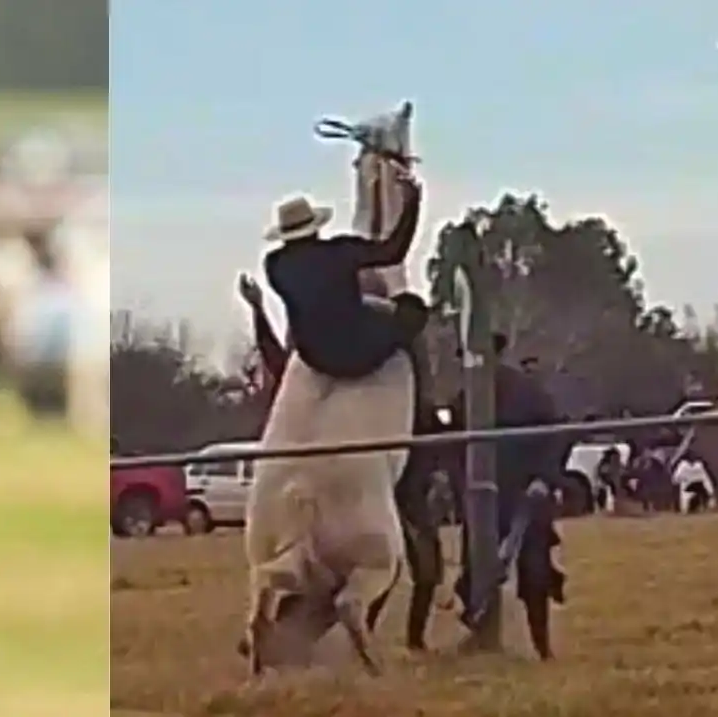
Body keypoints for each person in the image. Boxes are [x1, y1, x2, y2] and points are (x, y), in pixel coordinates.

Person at [236, 270, 444, 652]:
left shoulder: (319, 341)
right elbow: (421, 401)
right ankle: (321, 635)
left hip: (332, 462)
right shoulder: (395, 346)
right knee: (385, 562)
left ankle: (300, 636)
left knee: (324, 556)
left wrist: (259, 311)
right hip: (381, 464)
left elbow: (279, 363)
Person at [446, 333, 567, 660]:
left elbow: (555, 436)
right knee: (476, 575)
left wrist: (544, 477)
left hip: (526, 494)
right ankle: (481, 637)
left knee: (535, 574)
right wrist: (462, 490)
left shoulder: (530, 394)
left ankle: (543, 648)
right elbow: (454, 450)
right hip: (483, 501)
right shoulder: (463, 400)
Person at [261, 173, 426, 380]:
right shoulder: (339, 252)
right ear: (314, 227)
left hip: (314, 356)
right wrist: (412, 205)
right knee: (412, 308)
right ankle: (423, 400)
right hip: (357, 350)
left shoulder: (274, 266)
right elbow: (393, 252)